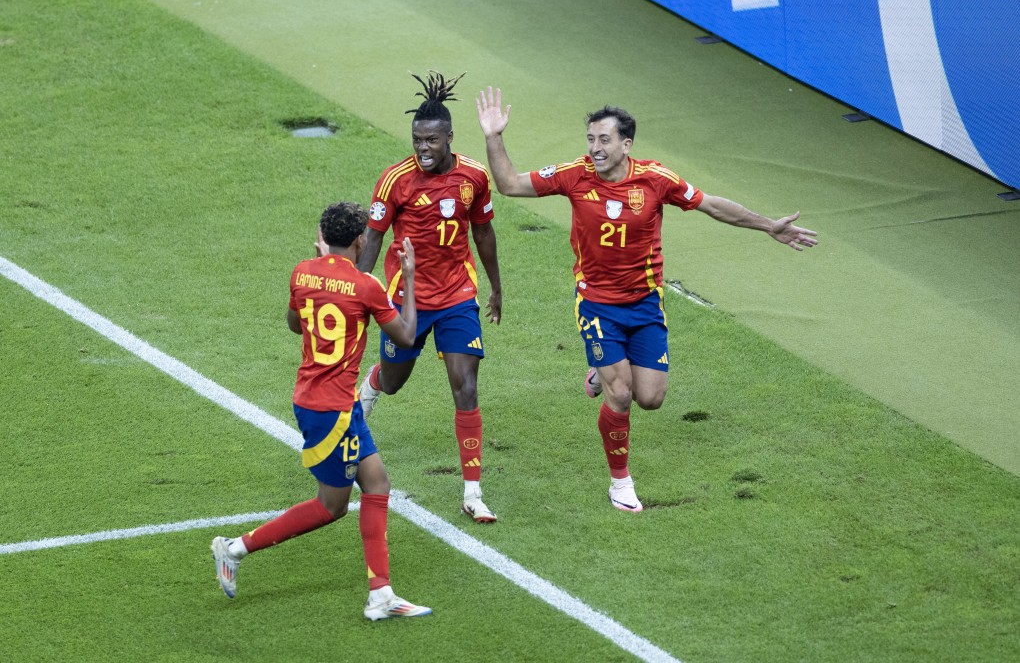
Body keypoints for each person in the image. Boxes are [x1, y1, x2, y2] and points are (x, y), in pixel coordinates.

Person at [476, 87, 818, 513]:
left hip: (644, 304)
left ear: (626, 144)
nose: (595, 148)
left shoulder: (655, 180)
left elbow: (711, 205)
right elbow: (509, 185)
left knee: (651, 398)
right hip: (597, 304)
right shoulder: (573, 175)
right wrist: (494, 136)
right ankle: (620, 482)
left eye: (604, 140)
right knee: (620, 396)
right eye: (590, 140)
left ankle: (602, 368)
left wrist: (768, 225)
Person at [211, 201, 431, 621]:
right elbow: (404, 337)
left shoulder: (302, 271)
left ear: (323, 236)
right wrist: (409, 277)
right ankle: (235, 549)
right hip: (333, 411)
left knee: (378, 484)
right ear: (360, 240)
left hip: (324, 400)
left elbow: (295, 324)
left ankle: (381, 593)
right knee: (331, 506)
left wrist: (318, 269)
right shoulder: (366, 285)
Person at [357, 71, 502, 523]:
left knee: (466, 385)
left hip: (459, 294)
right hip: (408, 299)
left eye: (431, 141)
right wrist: (355, 292)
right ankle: (372, 384)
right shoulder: (395, 181)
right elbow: (374, 239)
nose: (422, 148)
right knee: (396, 381)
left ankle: (472, 492)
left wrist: (496, 286)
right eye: (417, 139)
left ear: (449, 138)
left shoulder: (474, 176)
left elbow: (484, 233)